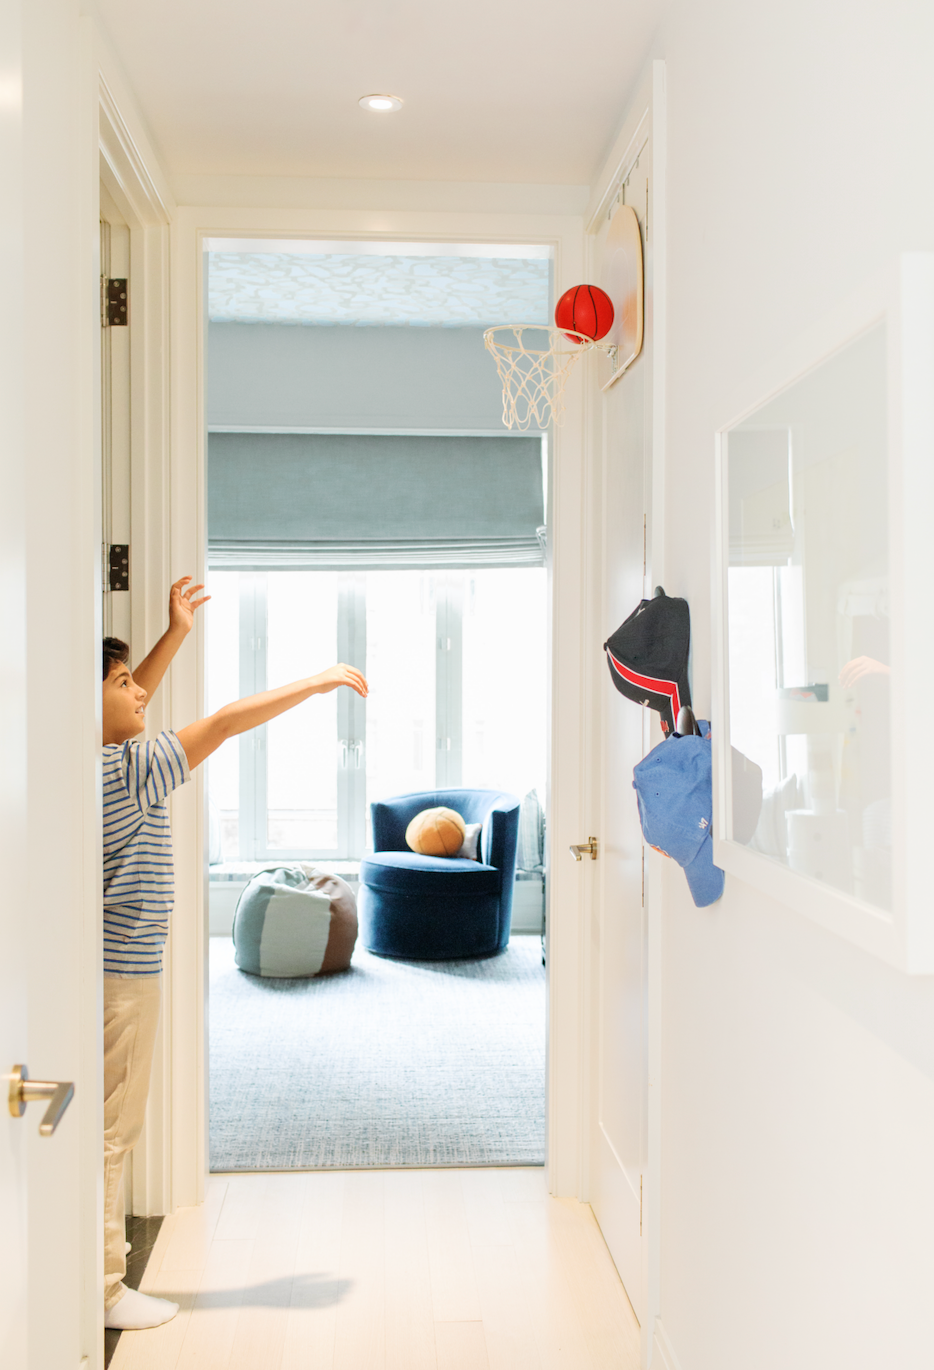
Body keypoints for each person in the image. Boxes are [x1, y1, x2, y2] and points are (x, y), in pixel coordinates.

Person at [101, 576, 367, 1331]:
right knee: (114, 1134)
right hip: (127, 977)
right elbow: (218, 724)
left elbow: (118, 712)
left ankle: (93, 1276)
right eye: (125, 683)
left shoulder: (88, 764)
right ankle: (106, 1288)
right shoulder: (128, 772)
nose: (141, 694)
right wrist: (315, 683)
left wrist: (173, 636)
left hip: (106, 968)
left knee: (106, 1128)